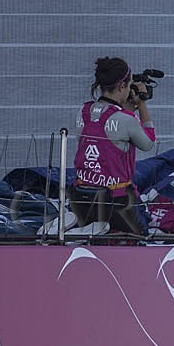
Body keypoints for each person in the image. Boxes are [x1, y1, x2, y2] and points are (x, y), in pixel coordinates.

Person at [71, 56, 156, 235]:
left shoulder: (83, 111)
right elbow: (148, 143)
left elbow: (107, 121)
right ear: (122, 86)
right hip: (116, 201)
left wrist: (126, 107)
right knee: (142, 236)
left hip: (82, 196)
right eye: (129, 84)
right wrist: (141, 104)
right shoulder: (127, 119)